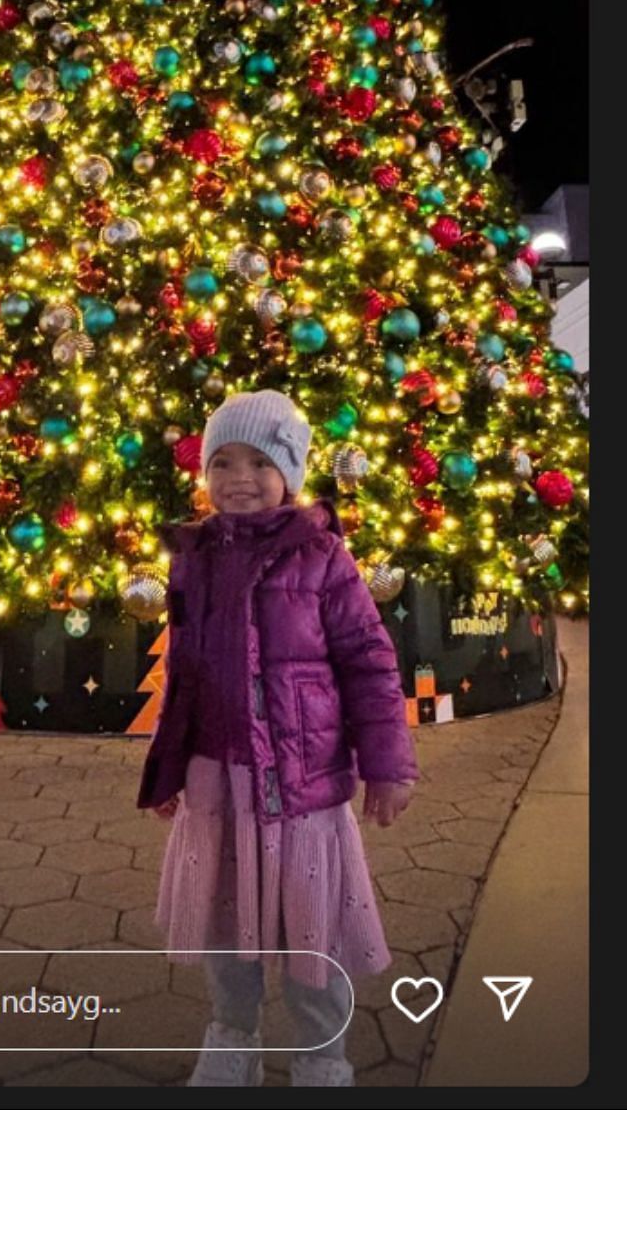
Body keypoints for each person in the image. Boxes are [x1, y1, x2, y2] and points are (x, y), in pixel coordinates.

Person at [137, 388, 418, 1088]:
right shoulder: (193, 557)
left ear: (290, 473)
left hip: (298, 785)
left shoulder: (322, 557)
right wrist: (170, 771)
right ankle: (233, 1034)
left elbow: (370, 662)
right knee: (227, 924)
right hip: (216, 781)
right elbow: (186, 674)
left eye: (259, 462)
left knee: (307, 929)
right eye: (222, 463)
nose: (238, 479)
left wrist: (389, 766)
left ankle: (323, 1053)